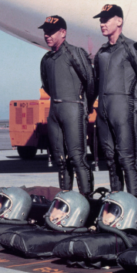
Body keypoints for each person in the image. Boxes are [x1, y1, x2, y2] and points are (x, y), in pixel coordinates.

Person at [92, 4, 137, 200]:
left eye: (106, 19)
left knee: (127, 160)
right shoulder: (101, 52)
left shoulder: (132, 47)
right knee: (111, 159)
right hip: (104, 113)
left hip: (124, 110)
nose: (102, 24)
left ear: (119, 21)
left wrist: (132, 100)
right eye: (101, 20)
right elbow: (97, 81)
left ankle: (134, 207)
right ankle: (116, 203)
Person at [39, 15, 95, 195]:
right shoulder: (46, 59)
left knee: (77, 158)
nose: (47, 35)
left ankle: (87, 200)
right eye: (45, 32)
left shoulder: (74, 53)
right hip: (54, 112)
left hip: (73, 109)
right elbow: (46, 85)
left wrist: (84, 104)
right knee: (60, 160)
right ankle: (66, 198)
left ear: (63, 33)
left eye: (51, 32)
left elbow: (91, 81)